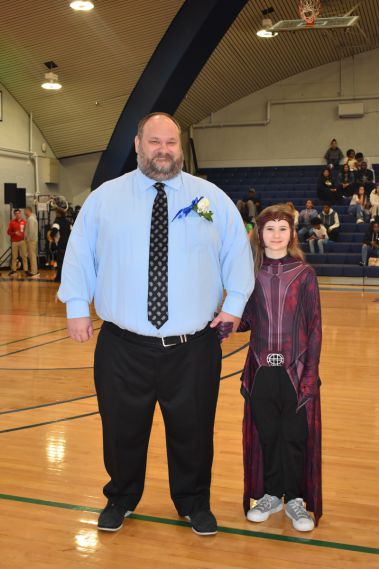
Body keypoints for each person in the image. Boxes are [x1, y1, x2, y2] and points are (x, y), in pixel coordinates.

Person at [57, 112, 254, 536]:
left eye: (171, 143)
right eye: (155, 142)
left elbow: (237, 252)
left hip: (192, 346)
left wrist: (235, 303)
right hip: (123, 346)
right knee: (121, 429)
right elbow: (79, 253)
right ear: (137, 145)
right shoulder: (105, 198)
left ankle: (192, 503)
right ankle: (121, 498)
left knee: (194, 430)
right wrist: (76, 303)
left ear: (180, 147)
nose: (163, 150)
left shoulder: (210, 198)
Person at [238, 204, 322, 532]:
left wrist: (310, 375)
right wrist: (219, 321)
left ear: (291, 232)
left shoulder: (304, 274)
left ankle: (297, 500)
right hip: (260, 369)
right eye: (269, 228)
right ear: (259, 234)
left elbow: (314, 327)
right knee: (268, 435)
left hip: (296, 370)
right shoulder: (249, 273)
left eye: (282, 228)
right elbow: (246, 319)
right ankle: (272, 493)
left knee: (295, 435)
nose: (276, 234)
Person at [49, 208, 71, 283]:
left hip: (60, 245)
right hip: (68, 245)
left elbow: (54, 232)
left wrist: (51, 236)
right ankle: (66, 278)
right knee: (66, 263)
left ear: (58, 214)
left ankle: (59, 278)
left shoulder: (57, 222)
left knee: (60, 262)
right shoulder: (68, 222)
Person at [7, 208, 28, 276]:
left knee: (24, 256)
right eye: (16, 214)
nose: (18, 215)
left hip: (22, 241)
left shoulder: (24, 222)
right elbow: (8, 232)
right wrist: (15, 233)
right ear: (14, 215)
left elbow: (27, 231)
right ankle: (14, 270)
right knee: (14, 256)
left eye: (19, 213)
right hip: (14, 242)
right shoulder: (12, 222)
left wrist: (24, 235)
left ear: (20, 213)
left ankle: (26, 270)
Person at [24, 206, 40, 278]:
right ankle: (34, 270)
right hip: (32, 240)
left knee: (32, 256)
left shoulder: (31, 219)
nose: (24, 212)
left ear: (28, 211)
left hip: (31, 240)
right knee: (32, 256)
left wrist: (28, 239)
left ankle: (34, 272)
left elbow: (31, 231)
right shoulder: (32, 218)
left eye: (25, 211)